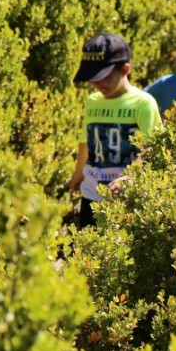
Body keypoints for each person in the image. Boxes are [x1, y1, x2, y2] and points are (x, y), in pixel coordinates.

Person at [68, 33, 161, 228]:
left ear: (125, 69)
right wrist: (79, 172)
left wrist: (130, 178)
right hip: (92, 193)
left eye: (103, 77)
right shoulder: (92, 102)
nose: (97, 83)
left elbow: (153, 148)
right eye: (91, 78)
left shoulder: (143, 104)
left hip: (127, 197)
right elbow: (86, 140)